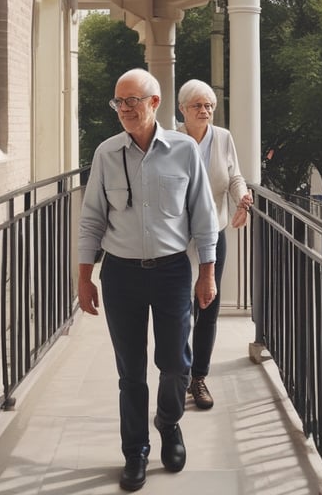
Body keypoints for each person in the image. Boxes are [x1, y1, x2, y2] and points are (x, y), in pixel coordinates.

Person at [78, 68, 219, 492]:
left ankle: (170, 423)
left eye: (132, 101)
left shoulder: (183, 150)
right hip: (120, 273)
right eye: (119, 102)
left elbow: (203, 216)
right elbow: (90, 221)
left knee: (176, 364)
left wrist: (207, 273)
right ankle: (135, 449)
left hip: (174, 270)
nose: (124, 109)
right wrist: (85, 277)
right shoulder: (106, 154)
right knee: (131, 371)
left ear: (155, 103)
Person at [177, 79, 253, 410]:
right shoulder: (169, 140)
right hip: (178, 238)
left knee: (207, 306)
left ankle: (198, 378)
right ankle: (176, 377)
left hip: (215, 233)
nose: (205, 110)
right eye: (198, 106)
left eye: (209, 105)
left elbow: (234, 176)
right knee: (179, 308)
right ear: (183, 110)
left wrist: (242, 200)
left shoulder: (223, 138)